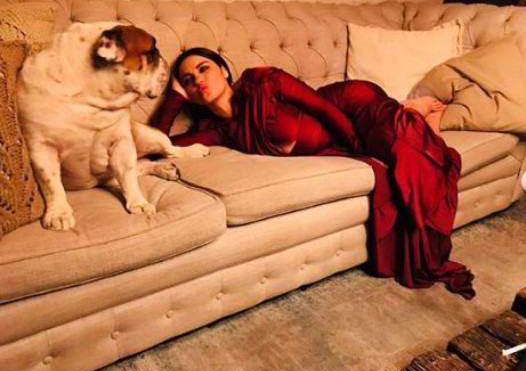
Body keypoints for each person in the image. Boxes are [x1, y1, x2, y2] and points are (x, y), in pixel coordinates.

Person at [150, 47, 475, 299]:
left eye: (203, 68)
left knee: (410, 159)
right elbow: (158, 142)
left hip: (352, 108)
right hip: (335, 139)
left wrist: (358, 145)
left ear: (223, 70)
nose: (198, 80)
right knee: (404, 163)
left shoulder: (262, 81)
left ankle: (414, 114)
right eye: (188, 80)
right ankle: (415, 117)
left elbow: (321, 107)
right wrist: (174, 98)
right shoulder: (221, 131)